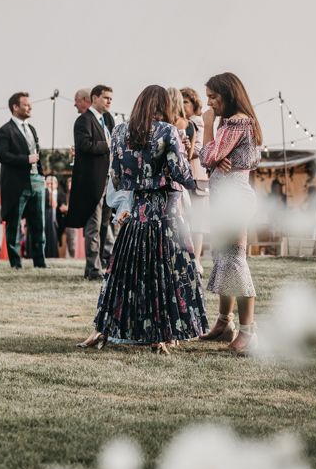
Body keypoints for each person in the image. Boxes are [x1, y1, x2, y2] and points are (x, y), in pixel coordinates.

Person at [78, 85, 208, 353]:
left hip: (135, 216)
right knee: (164, 276)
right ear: (164, 106)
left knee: (124, 278)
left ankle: (105, 329)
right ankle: (162, 334)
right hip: (164, 216)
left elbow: (115, 177)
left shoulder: (119, 131)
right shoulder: (167, 130)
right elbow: (181, 173)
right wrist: (185, 153)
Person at [199, 72, 262, 355]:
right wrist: (217, 157)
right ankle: (224, 322)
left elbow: (206, 156)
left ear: (228, 94)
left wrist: (208, 127)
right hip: (226, 200)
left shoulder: (237, 122)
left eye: (213, 97)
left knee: (235, 261)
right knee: (223, 260)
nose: (209, 103)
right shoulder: (234, 124)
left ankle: (249, 332)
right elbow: (215, 157)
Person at [65, 84, 115, 280]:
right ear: (94, 98)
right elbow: (84, 145)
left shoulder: (108, 119)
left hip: (110, 180)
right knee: (93, 226)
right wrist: (108, 145)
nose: (109, 101)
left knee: (105, 225)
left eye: (111, 98)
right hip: (92, 181)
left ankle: (101, 263)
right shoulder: (83, 121)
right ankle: (93, 269)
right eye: (106, 98)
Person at [0, 92, 47, 269]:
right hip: (17, 184)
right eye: (25, 104)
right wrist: (25, 160)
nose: (30, 107)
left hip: (37, 181)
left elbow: (38, 154)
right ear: (15, 107)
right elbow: (1, 155)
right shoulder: (4, 131)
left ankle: (40, 263)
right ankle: (16, 263)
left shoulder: (32, 129)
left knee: (39, 224)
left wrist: (42, 175)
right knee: (14, 224)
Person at [181, 87, 210, 274]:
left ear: (194, 104)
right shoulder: (182, 123)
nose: (183, 106)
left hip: (197, 176)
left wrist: (186, 149)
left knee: (198, 222)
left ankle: (197, 260)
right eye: (181, 102)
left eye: (186, 102)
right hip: (185, 177)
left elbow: (200, 148)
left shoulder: (197, 122)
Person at [44, 175, 67, 258]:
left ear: (56, 184)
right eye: (48, 183)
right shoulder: (45, 193)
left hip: (58, 220)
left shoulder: (61, 194)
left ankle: (55, 255)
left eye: (51, 183)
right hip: (47, 220)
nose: (50, 185)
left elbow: (61, 206)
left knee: (56, 240)